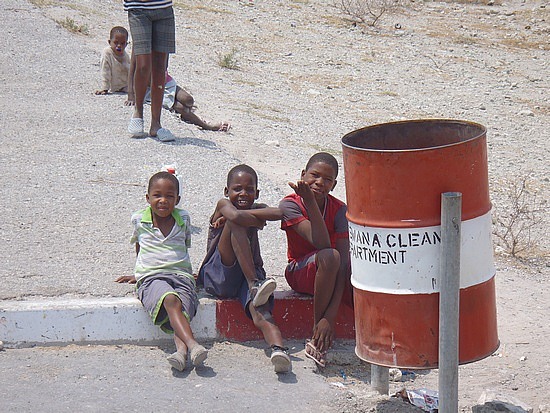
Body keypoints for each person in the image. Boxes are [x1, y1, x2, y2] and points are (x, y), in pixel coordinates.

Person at [198, 164, 291, 373]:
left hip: (244, 276)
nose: (243, 193)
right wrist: (255, 217)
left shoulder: (257, 207)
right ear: (226, 191)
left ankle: (279, 350)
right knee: (234, 223)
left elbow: (279, 212)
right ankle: (254, 285)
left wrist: (255, 214)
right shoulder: (223, 204)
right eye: (237, 189)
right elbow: (236, 217)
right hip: (219, 275)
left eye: (249, 190)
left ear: (257, 193)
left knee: (261, 312)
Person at [116, 171, 208, 371]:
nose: (163, 200)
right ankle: (193, 345)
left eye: (169, 196)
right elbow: (140, 246)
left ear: (178, 199)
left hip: (181, 275)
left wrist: (186, 271)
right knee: (170, 299)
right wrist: (138, 272)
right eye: (157, 195)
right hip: (152, 277)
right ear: (147, 198)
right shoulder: (139, 219)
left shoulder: (183, 217)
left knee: (182, 311)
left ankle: (181, 354)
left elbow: (182, 246)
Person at [279, 152, 353, 368]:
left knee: (351, 267)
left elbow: (343, 264)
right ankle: (316, 336)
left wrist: (329, 318)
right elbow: (321, 243)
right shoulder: (289, 205)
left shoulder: (340, 211)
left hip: (332, 269)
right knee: (330, 256)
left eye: (327, 180)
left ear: (334, 184)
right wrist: (310, 202)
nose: (320, 182)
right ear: (303, 175)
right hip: (299, 271)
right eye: (314, 175)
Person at [126, 52, 231, 132]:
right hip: (148, 88)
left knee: (189, 100)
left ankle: (188, 115)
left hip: (164, 81)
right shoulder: (143, 36)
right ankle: (206, 125)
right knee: (181, 108)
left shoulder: (160, 31)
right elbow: (133, 69)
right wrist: (131, 94)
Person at [124, 0, 176, 141]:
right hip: (138, 8)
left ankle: (156, 124)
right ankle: (138, 113)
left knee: (160, 67)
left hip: (163, 8)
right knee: (143, 65)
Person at [94, 26, 131, 95]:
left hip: (126, 85)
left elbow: (131, 70)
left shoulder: (126, 55)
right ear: (109, 42)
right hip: (115, 86)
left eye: (122, 43)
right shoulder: (107, 53)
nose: (119, 46)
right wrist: (105, 88)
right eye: (116, 42)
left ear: (126, 44)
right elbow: (105, 70)